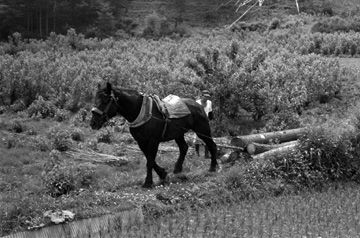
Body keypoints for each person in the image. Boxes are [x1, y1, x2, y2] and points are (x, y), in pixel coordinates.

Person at [194, 90, 214, 158]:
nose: (206, 98)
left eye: (208, 97)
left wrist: (210, 119)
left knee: (207, 138)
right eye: (205, 97)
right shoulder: (197, 103)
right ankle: (197, 154)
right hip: (198, 123)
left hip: (206, 123)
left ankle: (206, 154)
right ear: (202, 96)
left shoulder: (209, 103)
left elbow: (210, 112)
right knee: (197, 138)